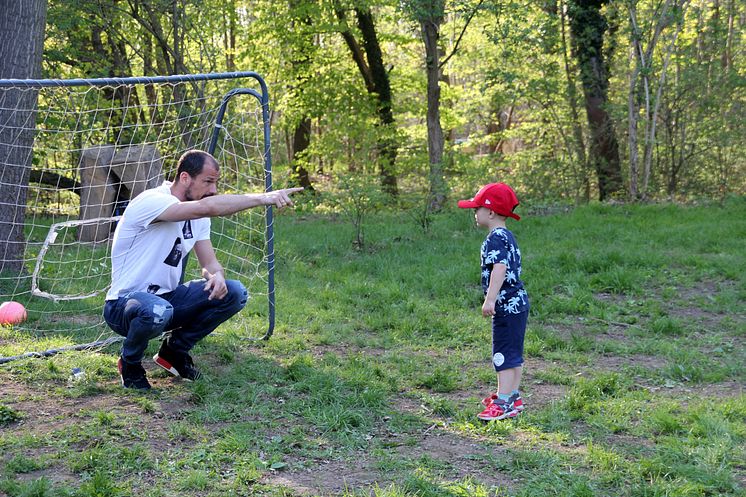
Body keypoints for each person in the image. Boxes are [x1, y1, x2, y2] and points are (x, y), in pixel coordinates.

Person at [104, 150, 302, 390]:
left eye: (215, 182)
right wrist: (263, 198)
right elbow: (208, 207)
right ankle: (130, 363)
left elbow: (209, 263)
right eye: (208, 182)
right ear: (185, 178)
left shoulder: (198, 217)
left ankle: (173, 353)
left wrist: (216, 276)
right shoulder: (152, 201)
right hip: (124, 305)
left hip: (167, 301)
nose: (213, 190)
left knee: (234, 292)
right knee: (156, 309)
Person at [458, 183, 529, 420]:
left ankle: (503, 400)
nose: (474, 213)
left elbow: (500, 268)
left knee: (502, 353)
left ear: (490, 212)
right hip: (518, 302)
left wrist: (490, 299)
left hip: (506, 305)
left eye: (476, 208)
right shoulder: (507, 235)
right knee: (513, 352)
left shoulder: (494, 239)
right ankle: (513, 396)